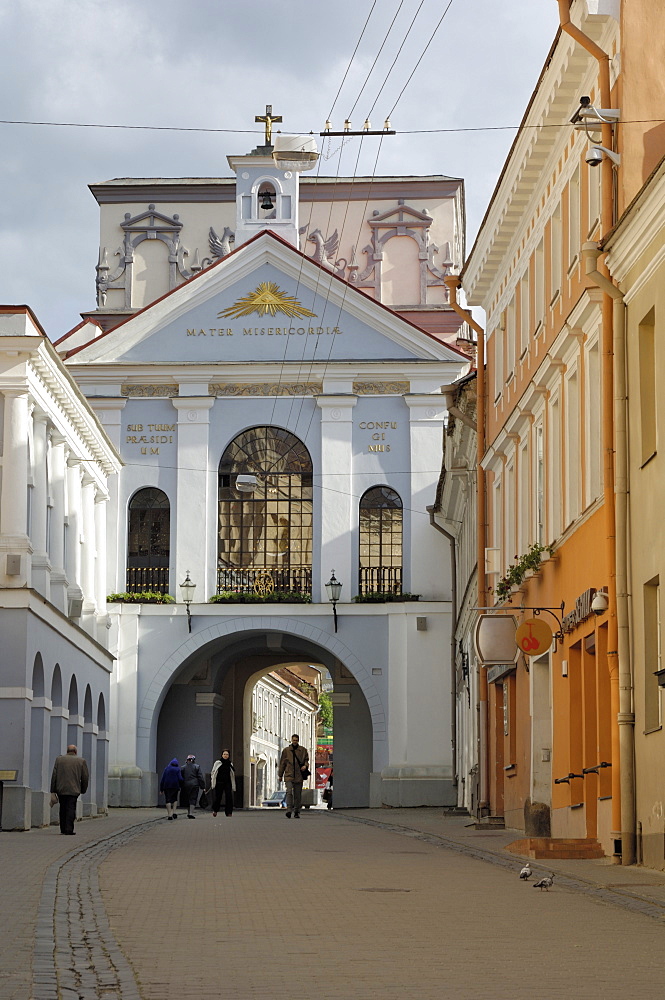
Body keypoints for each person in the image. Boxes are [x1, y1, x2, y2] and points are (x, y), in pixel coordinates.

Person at [50, 745, 89, 835]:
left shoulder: (59, 760)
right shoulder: (81, 761)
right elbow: (85, 777)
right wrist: (83, 789)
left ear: (67, 751)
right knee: (71, 808)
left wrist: (53, 790)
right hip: (74, 790)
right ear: (75, 752)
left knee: (63, 808)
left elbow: (54, 776)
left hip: (61, 789)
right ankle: (69, 829)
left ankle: (63, 828)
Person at [278, 734, 309, 819]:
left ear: (298, 741)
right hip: (289, 775)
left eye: (296, 740)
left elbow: (306, 760)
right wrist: (280, 775)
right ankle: (289, 810)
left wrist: (305, 766)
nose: (295, 741)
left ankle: (297, 811)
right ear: (291, 740)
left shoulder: (303, 750)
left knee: (297, 795)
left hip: (299, 775)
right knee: (289, 792)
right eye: (293, 740)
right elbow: (282, 764)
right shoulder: (286, 751)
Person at [210, 749, 236, 817]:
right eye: (224, 754)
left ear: (229, 755)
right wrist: (213, 780)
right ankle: (215, 810)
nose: (225, 755)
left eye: (227, 754)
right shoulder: (218, 762)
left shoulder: (230, 763)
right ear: (222, 755)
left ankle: (229, 812)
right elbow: (213, 772)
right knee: (218, 797)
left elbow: (232, 774)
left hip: (227, 782)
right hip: (219, 782)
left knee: (229, 797)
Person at [181, 754, 205, 818]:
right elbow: (200, 777)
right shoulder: (197, 767)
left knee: (187, 799)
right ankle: (191, 813)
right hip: (194, 785)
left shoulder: (183, 767)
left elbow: (181, 777)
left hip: (185, 785)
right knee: (193, 798)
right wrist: (202, 786)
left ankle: (188, 812)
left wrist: (181, 785)